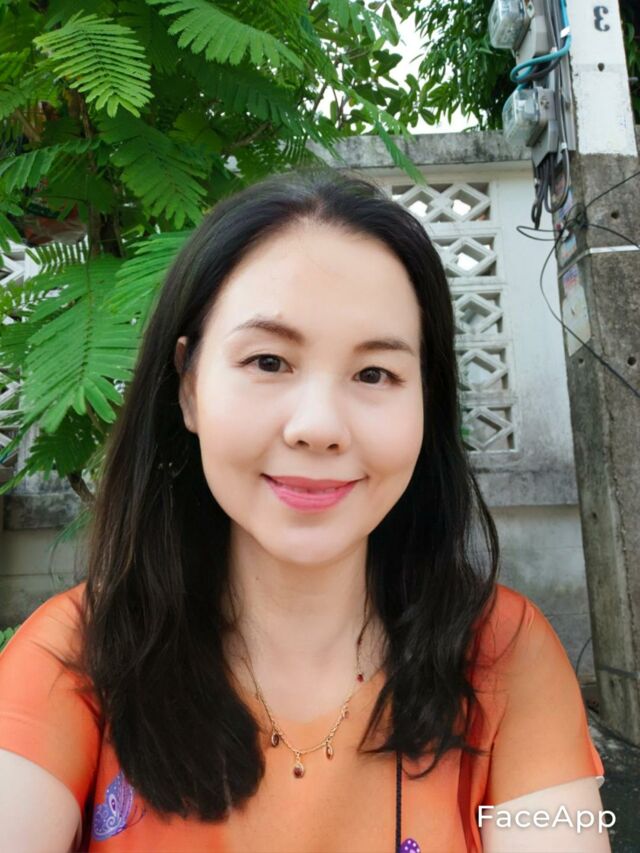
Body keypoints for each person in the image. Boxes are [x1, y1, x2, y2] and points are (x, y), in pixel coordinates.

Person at [0, 168, 609, 853]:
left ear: (426, 401)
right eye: (268, 361)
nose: (318, 426)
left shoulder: (502, 655)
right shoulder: (73, 659)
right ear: (190, 386)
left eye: (374, 373)